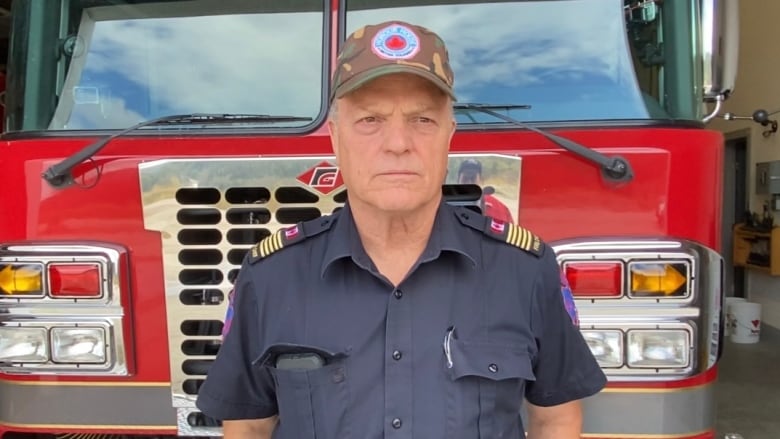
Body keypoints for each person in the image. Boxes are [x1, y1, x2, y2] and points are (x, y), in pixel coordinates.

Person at [196, 20, 606, 439]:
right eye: (371, 119)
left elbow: (554, 418)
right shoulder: (271, 278)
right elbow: (247, 425)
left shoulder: (524, 271)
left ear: (449, 135)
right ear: (336, 140)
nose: (397, 143)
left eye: (422, 120)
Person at [457, 158, 515, 223]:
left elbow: (510, 231)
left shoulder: (501, 209)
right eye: (465, 179)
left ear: (481, 180)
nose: (469, 183)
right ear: (458, 181)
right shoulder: (447, 206)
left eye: (473, 178)